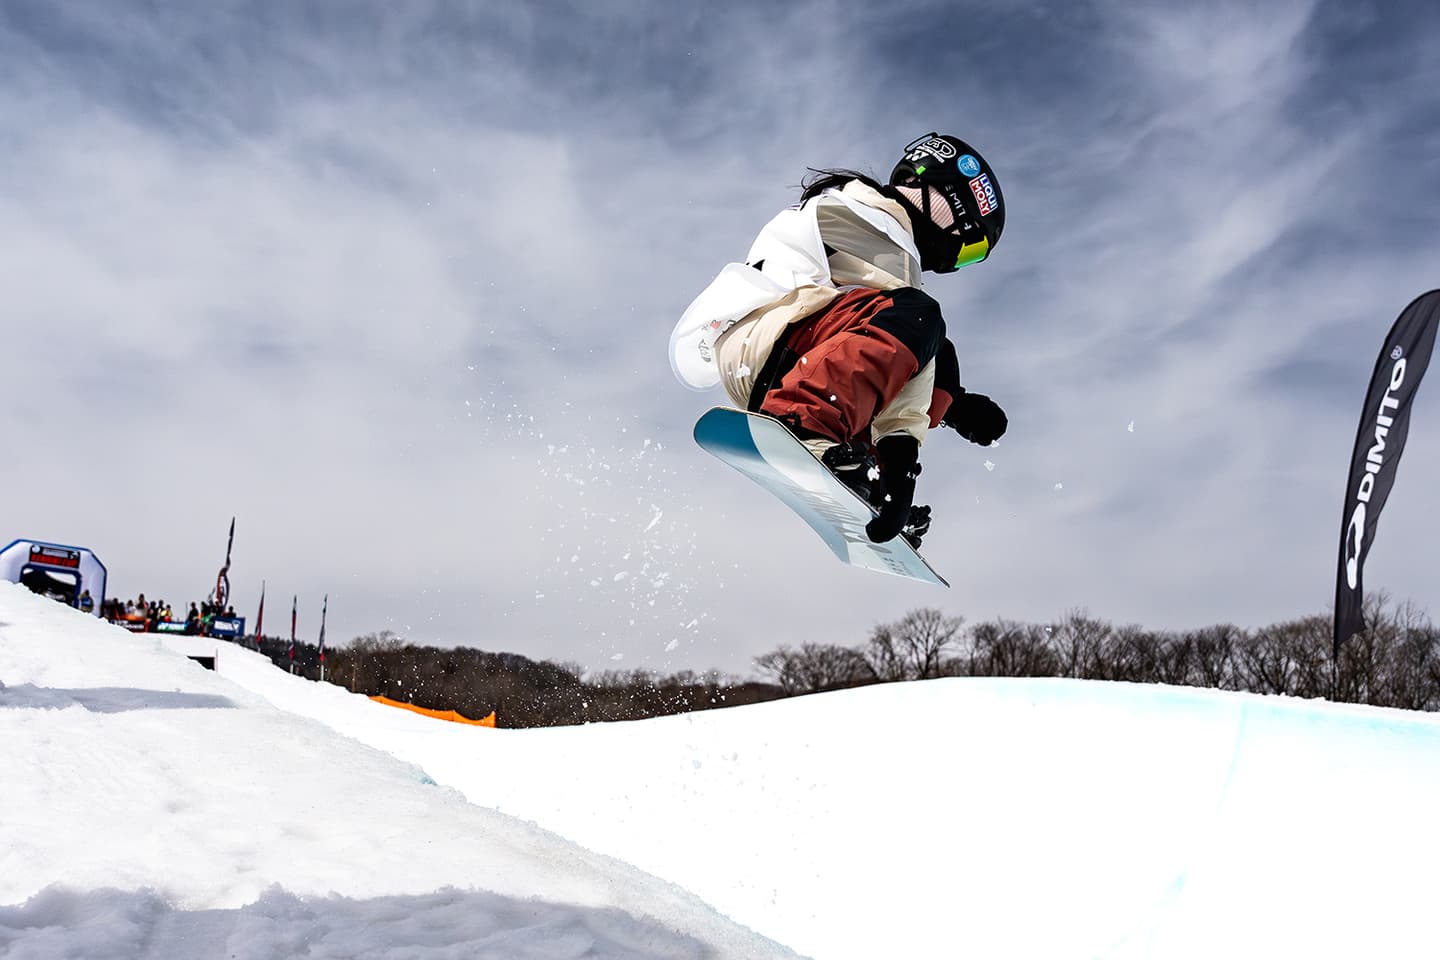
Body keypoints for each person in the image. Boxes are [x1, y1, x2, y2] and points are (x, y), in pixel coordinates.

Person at [671, 133, 1009, 544]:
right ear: (948, 208)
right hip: (777, 345)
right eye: (970, 249)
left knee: (921, 339)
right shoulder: (872, 218)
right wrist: (906, 458)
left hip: (786, 357)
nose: (955, 262)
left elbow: (896, 359)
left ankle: (854, 466)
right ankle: (806, 426)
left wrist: (942, 415)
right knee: (919, 325)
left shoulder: (871, 224)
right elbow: (905, 344)